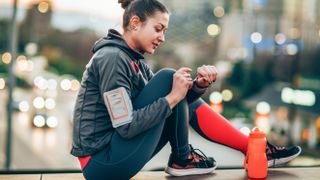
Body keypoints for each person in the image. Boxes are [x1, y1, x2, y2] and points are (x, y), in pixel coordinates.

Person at [70, 0, 301, 179]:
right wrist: (172, 97)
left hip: (114, 155)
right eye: (158, 29)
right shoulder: (112, 59)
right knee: (170, 79)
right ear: (135, 23)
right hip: (101, 164)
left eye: (165, 31)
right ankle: (182, 159)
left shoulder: (134, 60)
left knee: (174, 82)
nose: (162, 37)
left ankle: (253, 149)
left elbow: (179, 103)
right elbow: (126, 127)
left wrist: (198, 86)